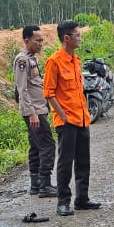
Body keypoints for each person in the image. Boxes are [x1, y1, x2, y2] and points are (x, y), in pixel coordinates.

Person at [44, 20, 101, 216]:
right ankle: (63, 201)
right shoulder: (54, 61)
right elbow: (49, 93)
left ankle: (82, 198)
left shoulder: (75, 60)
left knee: (84, 161)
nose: (80, 38)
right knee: (65, 162)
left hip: (82, 118)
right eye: (77, 35)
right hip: (67, 122)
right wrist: (63, 116)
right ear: (66, 38)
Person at [14, 24, 58, 198]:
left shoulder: (31, 58)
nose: (41, 43)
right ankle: (45, 184)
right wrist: (31, 113)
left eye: (42, 40)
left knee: (35, 145)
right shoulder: (22, 60)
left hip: (39, 108)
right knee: (47, 144)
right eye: (37, 40)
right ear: (27, 41)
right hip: (34, 111)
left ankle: (36, 184)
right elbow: (22, 88)